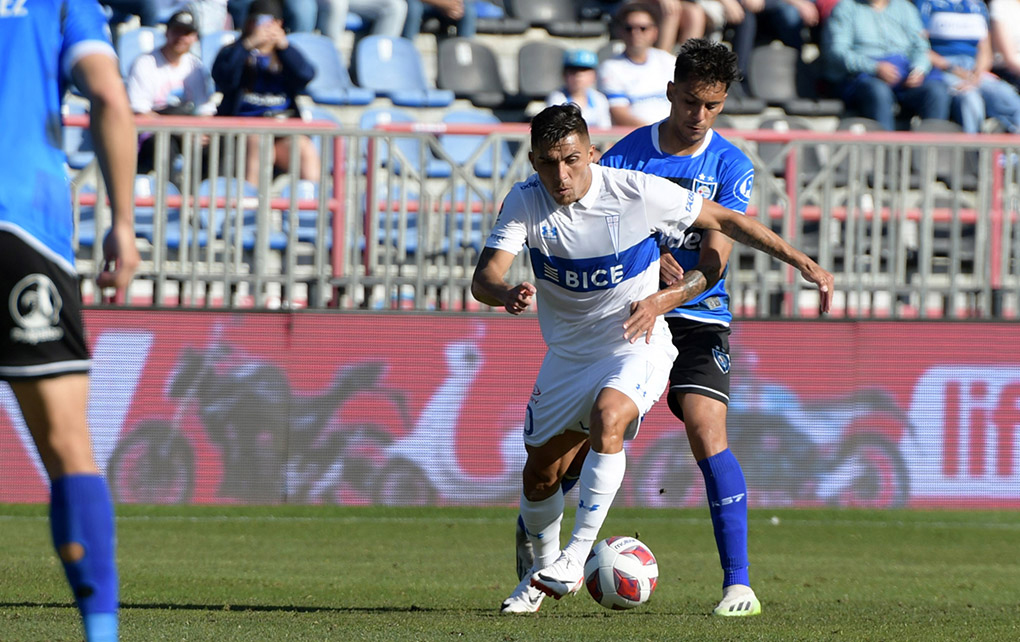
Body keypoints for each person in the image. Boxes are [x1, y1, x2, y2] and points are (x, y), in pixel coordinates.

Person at [483, 103, 833, 614]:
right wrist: (503, 292)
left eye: (572, 160)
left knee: (610, 415)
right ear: (533, 162)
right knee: (540, 476)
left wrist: (802, 261)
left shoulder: (634, 192)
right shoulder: (525, 200)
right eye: (547, 163)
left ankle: (577, 556)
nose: (561, 174)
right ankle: (539, 572)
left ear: (592, 155)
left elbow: (728, 220)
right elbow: (484, 277)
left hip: (635, 342)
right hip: (567, 355)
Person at [0, 1, 140, 640]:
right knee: (65, 443)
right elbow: (108, 95)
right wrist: (124, 225)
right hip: (22, 218)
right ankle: (101, 633)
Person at [212, 0, 321, 185]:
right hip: (243, 130)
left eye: (271, 22)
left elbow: (305, 75)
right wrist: (247, 44)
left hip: (282, 127)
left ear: (280, 24)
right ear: (249, 23)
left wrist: (284, 47)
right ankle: (251, 208)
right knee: (258, 143)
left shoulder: (286, 55)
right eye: (259, 21)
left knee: (306, 150)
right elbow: (223, 77)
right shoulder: (234, 51)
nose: (265, 27)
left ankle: (311, 209)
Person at [822, 0, 951, 131]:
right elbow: (837, 52)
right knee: (879, 91)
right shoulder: (846, 7)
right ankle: (885, 147)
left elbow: (921, 47)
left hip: (904, 74)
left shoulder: (905, 7)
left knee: (936, 91)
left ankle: (930, 149)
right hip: (862, 76)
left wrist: (918, 69)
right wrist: (875, 67)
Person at [126, 9, 216, 184]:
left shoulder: (195, 67)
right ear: (167, 32)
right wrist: (180, 131)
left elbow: (206, 111)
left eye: (187, 33)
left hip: (186, 128)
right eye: (177, 31)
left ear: (195, 37)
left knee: (214, 147)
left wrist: (199, 133)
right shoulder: (145, 63)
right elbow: (140, 113)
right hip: (152, 133)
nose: (181, 38)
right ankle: (167, 203)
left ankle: (201, 200)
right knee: (164, 146)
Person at [917, 0, 1020, 133]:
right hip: (943, 68)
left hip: (975, 68)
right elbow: (920, 46)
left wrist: (976, 75)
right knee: (970, 99)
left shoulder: (976, 5)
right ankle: (973, 150)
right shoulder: (928, 4)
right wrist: (952, 68)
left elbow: (985, 48)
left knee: (1009, 97)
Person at [599, 2, 677, 127]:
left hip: (672, 135)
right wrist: (656, 133)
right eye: (629, 28)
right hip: (636, 138)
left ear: (654, 32)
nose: (635, 33)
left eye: (643, 28)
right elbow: (619, 114)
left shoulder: (668, 61)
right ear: (620, 32)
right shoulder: (610, 68)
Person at [545, 49, 613, 131]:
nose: (578, 75)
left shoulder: (600, 99)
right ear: (564, 74)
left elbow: (605, 132)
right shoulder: (557, 98)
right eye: (573, 70)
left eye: (584, 70)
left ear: (594, 75)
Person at [403, 0, 477, 39]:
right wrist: (442, 3)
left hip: (445, 6)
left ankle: (464, 57)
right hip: (421, 4)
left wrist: (454, 5)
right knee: (414, 9)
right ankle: (406, 53)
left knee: (467, 11)